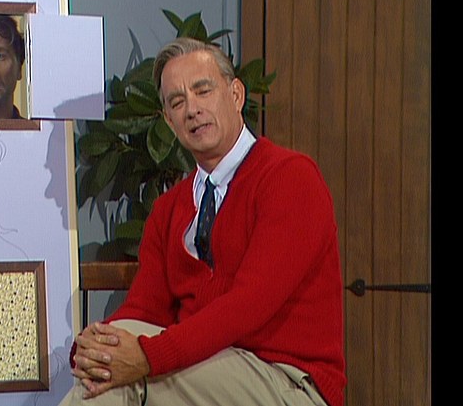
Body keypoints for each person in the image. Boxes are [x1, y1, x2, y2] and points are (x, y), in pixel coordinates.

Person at [61, 37, 346, 406]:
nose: (192, 109)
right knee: (111, 363)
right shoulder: (168, 210)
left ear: (236, 95)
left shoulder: (290, 178)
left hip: (286, 380)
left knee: (127, 377)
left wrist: (147, 357)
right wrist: (92, 350)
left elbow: (248, 305)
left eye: (203, 91)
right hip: (202, 373)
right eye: (177, 102)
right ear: (168, 120)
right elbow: (143, 309)